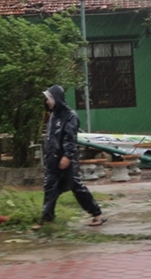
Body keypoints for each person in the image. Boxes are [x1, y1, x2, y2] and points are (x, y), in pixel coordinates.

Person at [33, 84, 107, 229]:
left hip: (66, 160)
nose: (46, 102)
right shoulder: (53, 115)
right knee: (50, 188)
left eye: (48, 98)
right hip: (53, 160)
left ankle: (97, 214)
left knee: (77, 188)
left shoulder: (70, 116)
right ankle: (47, 218)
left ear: (56, 98)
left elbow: (69, 137)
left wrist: (67, 155)